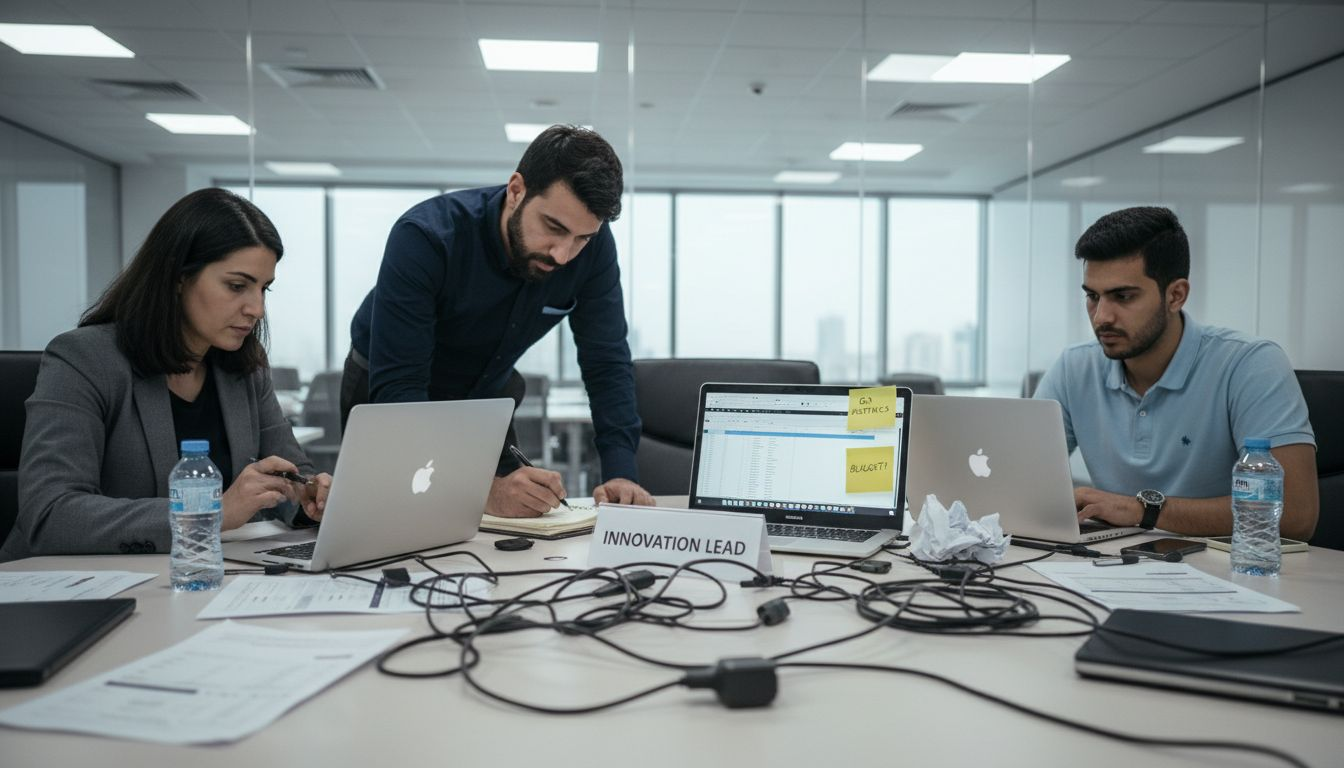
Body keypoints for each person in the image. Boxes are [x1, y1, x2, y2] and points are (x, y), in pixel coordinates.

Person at [0, 188, 333, 562]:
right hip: (75, 591)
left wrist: (309, 498)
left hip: (204, 579)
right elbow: (50, 515)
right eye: (237, 286)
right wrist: (211, 514)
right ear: (178, 277)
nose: (256, 308)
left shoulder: (244, 367)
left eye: (263, 289)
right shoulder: (83, 360)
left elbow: (293, 475)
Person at [342, 125, 653, 518]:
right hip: (391, 392)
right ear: (516, 189)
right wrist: (481, 491)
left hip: (485, 397)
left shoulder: (592, 251)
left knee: (513, 517)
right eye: (554, 228)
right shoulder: (426, 237)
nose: (562, 255)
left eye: (581, 238)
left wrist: (622, 474)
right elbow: (400, 390)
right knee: (396, 518)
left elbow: (606, 362)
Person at [1034, 206, 1318, 540]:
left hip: (1227, 574)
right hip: (1113, 565)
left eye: (1123, 296)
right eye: (1093, 297)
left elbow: (1296, 515)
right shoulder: (1073, 368)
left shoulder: (1250, 364)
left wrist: (1141, 511)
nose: (1101, 317)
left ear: (1176, 295)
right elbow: (1020, 479)